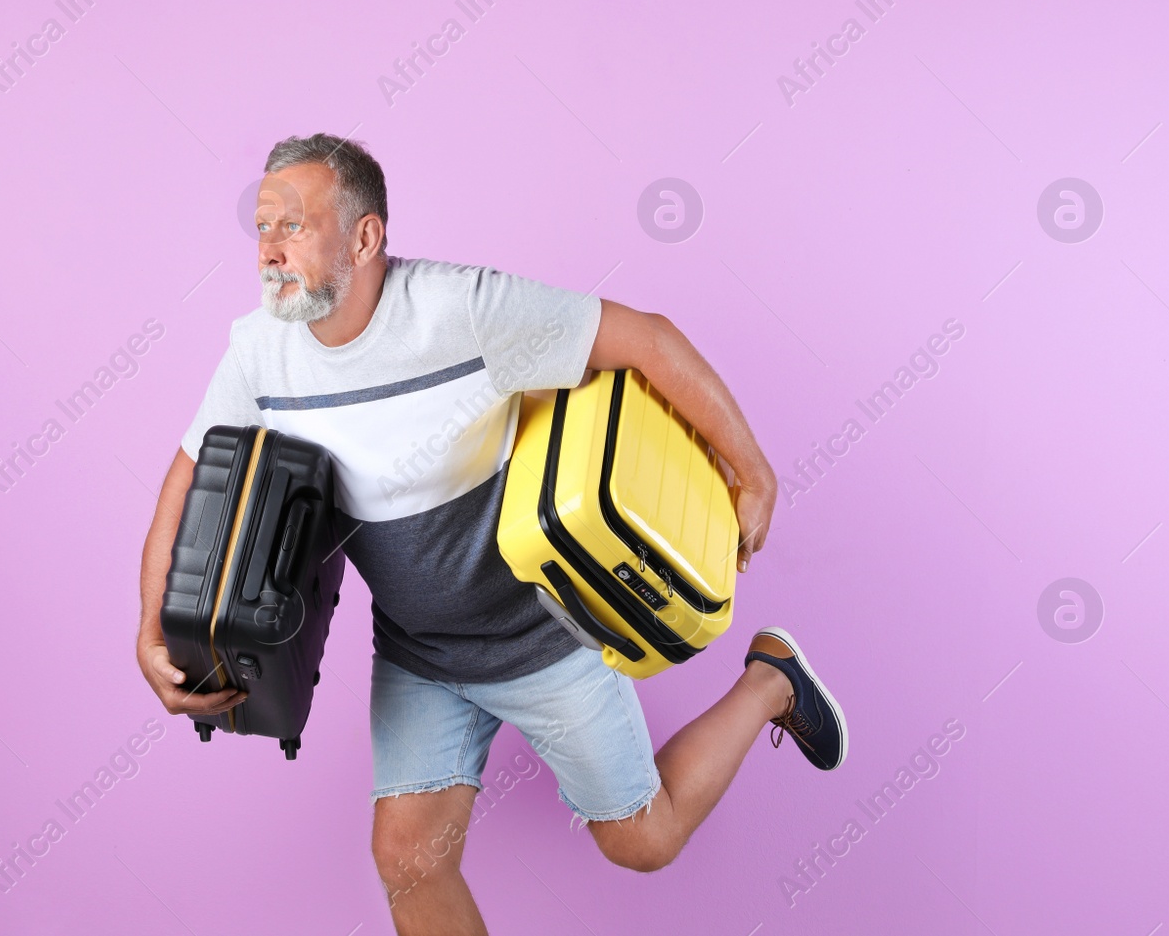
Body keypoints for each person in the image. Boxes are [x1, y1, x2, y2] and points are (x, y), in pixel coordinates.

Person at [136, 133, 846, 935]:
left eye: (291, 226)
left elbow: (646, 336)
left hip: (544, 635)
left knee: (643, 840)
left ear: (365, 237)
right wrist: (150, 628)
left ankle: (771, 681)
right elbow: (186, 480)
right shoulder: (259, 353)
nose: (268, 248)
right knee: (409, 860)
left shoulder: (464, 308)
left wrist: (754, 472)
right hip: (421, 655)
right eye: (261, 227)